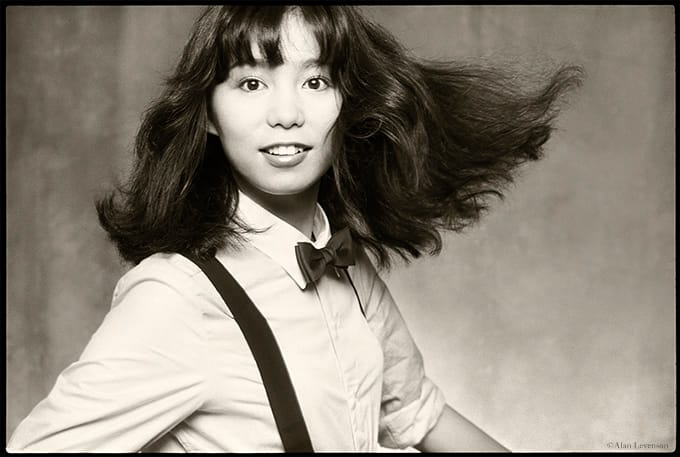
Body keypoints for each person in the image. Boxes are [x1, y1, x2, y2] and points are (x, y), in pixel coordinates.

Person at [7, 5, 582, 453]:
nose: (287, 113)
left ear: (350, 104)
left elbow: (420, 415)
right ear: (208, 113)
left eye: (316, 82)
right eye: (252, 83)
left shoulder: (347, 268)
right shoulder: (177, 298)